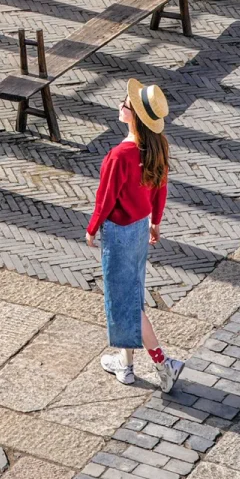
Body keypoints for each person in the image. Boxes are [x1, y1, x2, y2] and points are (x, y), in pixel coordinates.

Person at [86, 80, 183, 393]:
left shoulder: (119, 155)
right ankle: (125, 364)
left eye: (125, 104)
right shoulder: (158, 146)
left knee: (124, 302)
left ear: (135, 116)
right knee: (132, 294)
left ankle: (163, 363)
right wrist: (156, 221)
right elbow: (160, 186)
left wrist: (92, 227)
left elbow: (106, 197)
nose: (120, 105)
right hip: (140, 228)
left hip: (119, 233)